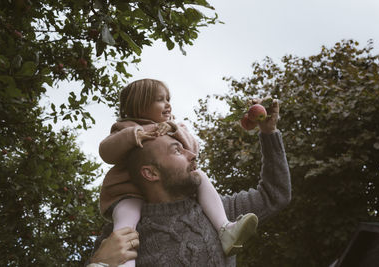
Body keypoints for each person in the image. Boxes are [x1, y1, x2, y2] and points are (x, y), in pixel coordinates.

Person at [88, 97, 291, 266]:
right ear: (150, 173)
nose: (192, 155)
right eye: (177, 150)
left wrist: (269, 132)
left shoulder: (218, 213)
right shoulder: (119, 237)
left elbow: (274, 195)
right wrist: (97, 262)